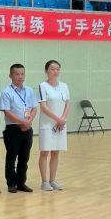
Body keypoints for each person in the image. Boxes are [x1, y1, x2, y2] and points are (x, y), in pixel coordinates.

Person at [0, 64, 37, 193]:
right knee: (11, 157)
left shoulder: (29, 90)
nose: (20, 76)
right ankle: (11, 183)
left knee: (24, 157)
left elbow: (34, 108)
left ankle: (21, 182)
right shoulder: (6, 92)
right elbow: (7, 112)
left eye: (22, 74)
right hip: (13, 129)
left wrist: (29, 121)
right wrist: (22, 122)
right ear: (10, 75)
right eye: (17, 74)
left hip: (28, 128)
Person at [38, 60, 70, 191]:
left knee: (56, 152)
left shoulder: (64, 86)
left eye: (57, 69)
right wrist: (57, 119)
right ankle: (44, 182)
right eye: (52, 69)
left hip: (60, 125)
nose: (55, 71)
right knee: (45, 152)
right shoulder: (43, 86)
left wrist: (62, 120)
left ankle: (53, 180)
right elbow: (43, 106)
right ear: (46, 71)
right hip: (47, 125)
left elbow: (67, 104)